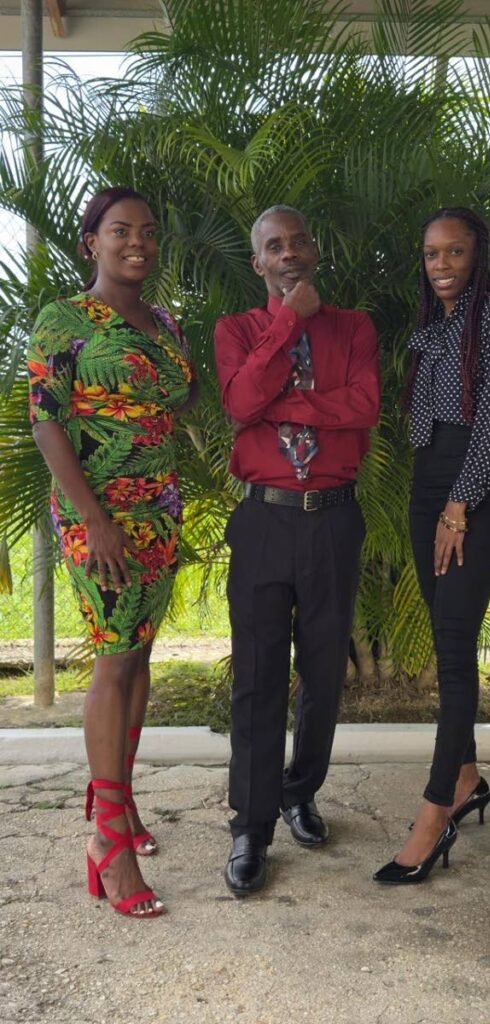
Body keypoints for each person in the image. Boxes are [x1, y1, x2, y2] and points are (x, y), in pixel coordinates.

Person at [27, 186, 196, 917]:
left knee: (140, 654)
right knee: (114, 656)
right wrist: (94, 517)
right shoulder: (63, 319)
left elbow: (176, 405)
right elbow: (47, 423)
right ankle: (106, 843)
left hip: (158, 510)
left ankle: (121, 809)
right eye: (121, 231)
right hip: (100, 517)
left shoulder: (164, 323)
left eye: (149, 232)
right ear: (90, 241)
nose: (139, 243)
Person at [214, 205, 380, 895]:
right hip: (264, 522)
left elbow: (363, 407)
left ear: (315, 250)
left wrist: (284, 404)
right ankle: (251, 828)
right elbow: (241, 400)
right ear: (258, 263)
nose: (289, 254)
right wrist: (288, 323)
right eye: (273, 246)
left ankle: (298, 792)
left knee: (322, 674)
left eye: (299, 241)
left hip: (333, 520)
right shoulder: (237, 331)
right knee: (257, 679)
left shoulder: (355, 328)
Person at [373, 207, 490, 885]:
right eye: (432, 254)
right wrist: (436, 497)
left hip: (475, 488)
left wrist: (460, 506)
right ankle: (466, 776)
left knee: (456, 641)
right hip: (427, 481)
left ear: (478, 254)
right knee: (445, 637)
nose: (441, 265)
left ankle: (435, 812)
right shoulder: (431, 325)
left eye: (454, 252)